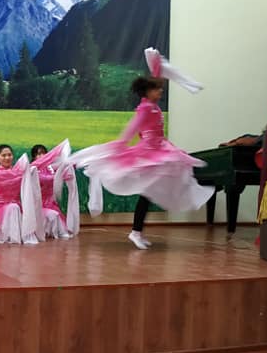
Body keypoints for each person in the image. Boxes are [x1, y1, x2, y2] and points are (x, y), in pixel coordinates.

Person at [71, 73, 214, 250]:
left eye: (160, 88)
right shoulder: (145, 108)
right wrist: (121, 144)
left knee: (150, 193)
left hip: (159, 150)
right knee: (147, 194)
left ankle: (137, 231)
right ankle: (136, 232)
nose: (160, 91)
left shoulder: (153, 107)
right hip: (150, 154)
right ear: (147, 91)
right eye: (157, 89)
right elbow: (133, 128)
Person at [0, 144, 43, 244]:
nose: (7, 158)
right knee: (13, 207)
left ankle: (16, 236)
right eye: (4, 155)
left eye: (9, 155)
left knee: (14, 207)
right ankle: (11, 237)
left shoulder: (19, 172)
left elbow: (39, 163)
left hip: (17, 210)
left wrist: (58, 151)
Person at [30, 141, 79, 238]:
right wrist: (60, 175)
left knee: (56, 216)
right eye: (38, 154)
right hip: (38, 205)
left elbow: (66, 167)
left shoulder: (50, 168)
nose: (42, 156)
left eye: (44, 153)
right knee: (53, 215)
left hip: (50, 203)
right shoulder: (33, 169)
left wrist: (69, 164)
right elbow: (45, 178)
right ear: (34, 156)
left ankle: (51, 232)